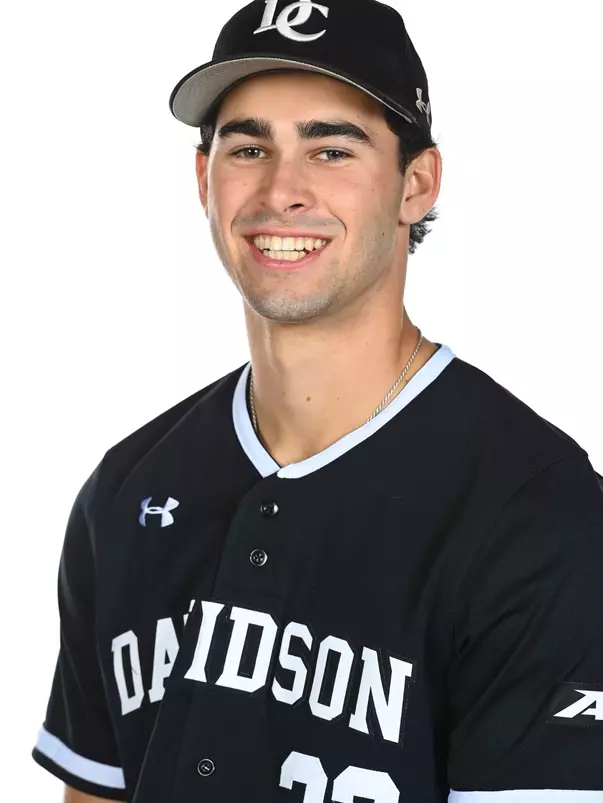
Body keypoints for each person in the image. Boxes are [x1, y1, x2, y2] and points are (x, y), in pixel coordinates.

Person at [32, 0, 603, 801]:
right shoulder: (127, 488)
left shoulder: (538, 513)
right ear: (202, 180)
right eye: (248, 148)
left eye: (331, 149)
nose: (281, 190)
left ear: (415, 184)